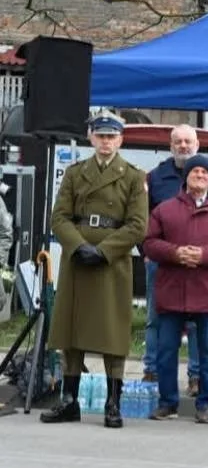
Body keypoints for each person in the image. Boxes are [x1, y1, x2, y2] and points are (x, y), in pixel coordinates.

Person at [42, 111, 149, 429]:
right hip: (78, 257)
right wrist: (77, 246)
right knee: (71, 330)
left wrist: (103, 251)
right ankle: (69, 400)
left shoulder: (132, 176)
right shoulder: (76, 173)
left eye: (111, 136)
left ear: (121, 139)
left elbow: (138, 225)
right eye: (101, 136)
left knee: (112, 331)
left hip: (111, 261)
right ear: (91, 138)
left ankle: (113, 403)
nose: (106, 142)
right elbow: (59, 217)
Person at [141, 155, 208, 424]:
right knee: (166, 350)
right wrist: (175, 253)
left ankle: (206, 403)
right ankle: (167, 403)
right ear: (186, 178)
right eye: (195, 172)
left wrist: (204, 255)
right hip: (172, 290)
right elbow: (149, 243)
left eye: (205, 173)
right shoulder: (164, 209)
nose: (200, 176)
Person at [143, 125, 208, 393]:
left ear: (197, 144)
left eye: (188, 141)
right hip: (165, 267)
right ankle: (153, 373)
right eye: (177, 141)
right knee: (157, 322)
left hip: (205, 272)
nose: (183, 146)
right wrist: (154, 253)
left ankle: (197, 378)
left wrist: (203, 255)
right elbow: (144, 220)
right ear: (170, 146)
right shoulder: (156, 176)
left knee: (202, 331)